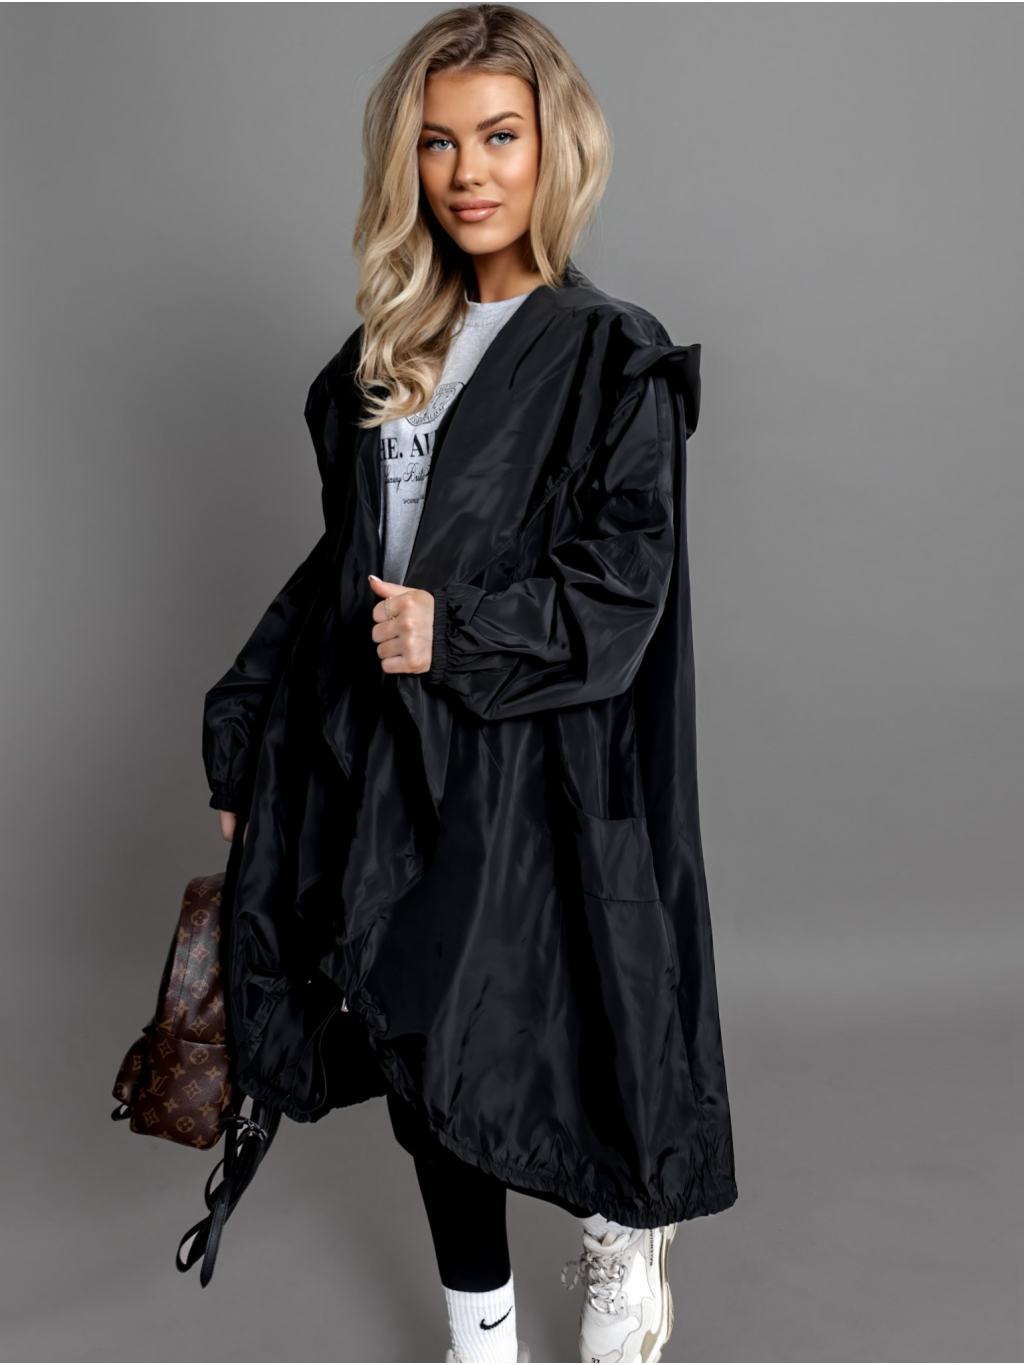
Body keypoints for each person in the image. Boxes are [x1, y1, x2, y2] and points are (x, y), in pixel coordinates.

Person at [202, 6, 737, 1362]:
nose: (468, 172)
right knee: (416, 1036)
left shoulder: (611, 354)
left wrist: (462, 636)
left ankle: (623, 1228)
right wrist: (248, 743)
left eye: (499, 135)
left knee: (566, 1022)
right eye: (437, 143)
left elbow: (626, 586)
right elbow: (342, 577)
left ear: (556, 147)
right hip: (395, 759)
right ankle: (480, 1336)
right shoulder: (383, 356)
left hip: (540, 764)